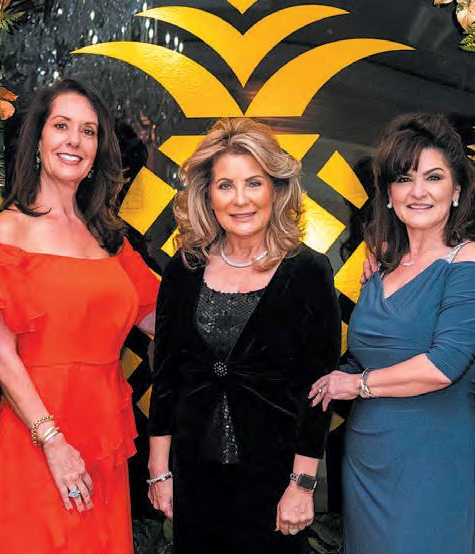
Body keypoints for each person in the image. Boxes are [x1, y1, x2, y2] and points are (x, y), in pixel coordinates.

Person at [0, 79, 158, 553]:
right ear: (38, 140)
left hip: (105, 435)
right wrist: (52, 442)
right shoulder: (7, 229)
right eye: (61, 126)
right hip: (38, 435)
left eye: (88, 131)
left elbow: (166, 322)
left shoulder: (111, 238)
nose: (74, 140)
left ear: (97, 151)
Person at [146, 118, 340, 553]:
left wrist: (302, 485)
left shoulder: (308, 271)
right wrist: (160, 472)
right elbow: (167, 379)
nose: (240, 200)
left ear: (275, 188)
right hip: (195, 482)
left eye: (254, 183)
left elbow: (319, 391)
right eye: (225, 186)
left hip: (275, 486)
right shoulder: (184, 268)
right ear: (207, 195)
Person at [313, 112, 475, 553]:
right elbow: (363, 356)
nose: (418, 192)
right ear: (389, 195)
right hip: (367, 459)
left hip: (436, 457)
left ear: (456, 191)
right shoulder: (380, 269)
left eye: (433, 177)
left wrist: (356, 385)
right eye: (404, 179)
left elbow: (443, 365)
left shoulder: (471, 260)